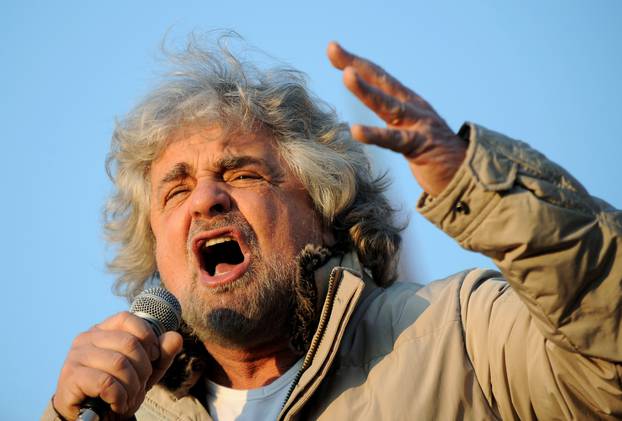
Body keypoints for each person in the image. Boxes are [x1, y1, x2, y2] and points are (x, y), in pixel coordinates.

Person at [44, 35, 622, 420]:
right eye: (175, 189)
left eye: (240, 173)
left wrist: (476, 179)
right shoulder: (127, 410)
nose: (205, 200)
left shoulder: (459, 335)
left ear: (325, 211)